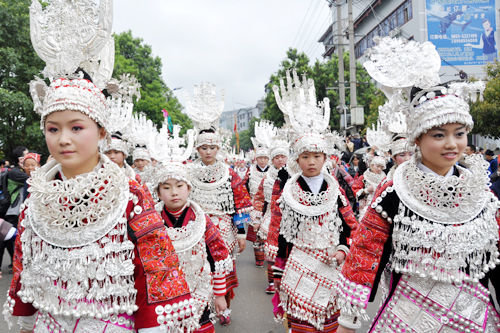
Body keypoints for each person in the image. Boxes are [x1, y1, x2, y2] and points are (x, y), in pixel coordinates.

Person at [4, 1, 196, 330]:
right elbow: (25, 266)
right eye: (53, 129)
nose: (64, 139)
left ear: (101, 132)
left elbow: (154, 268)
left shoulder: (130, 194)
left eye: (76, 127)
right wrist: (23, 318)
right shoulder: (37, 198)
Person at [336, 37, 500, 333]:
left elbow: (496, 258)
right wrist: (347, 323)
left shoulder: (481, 195)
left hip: (474, 319)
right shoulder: (394, 194)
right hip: (408, 319)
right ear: (417, 140)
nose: (452, 144)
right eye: (439, 135)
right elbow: (364, 258)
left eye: (459, 133)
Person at [271, 70, 358, 332]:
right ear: (297, 160)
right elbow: (280, 232)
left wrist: (344, 249)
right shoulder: (288, 191)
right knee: (302, 323)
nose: (311, 162)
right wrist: (278, 268)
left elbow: (349, 226)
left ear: (325, 159)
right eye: (305, 156)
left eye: (316, 156)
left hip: (331, 261)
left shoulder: (336, 190)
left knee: (330, 321)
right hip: (299, 261)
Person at [184, 83, 253, 325]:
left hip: (224, 230)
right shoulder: (189, 173)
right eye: (204, 147)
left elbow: (241, 204)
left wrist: (242, 233)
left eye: (212, 147)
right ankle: (204, 311)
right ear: (198, 149)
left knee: (223, 269)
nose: (208, 151)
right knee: (200, 270)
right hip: (196, 230)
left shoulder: (229, 173)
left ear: (218, 148)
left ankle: (224, 304)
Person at [153, 157, 233, 332]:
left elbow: (216, 258)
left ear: (189, 188)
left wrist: (220, 295)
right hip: (164, 293)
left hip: (199, 288)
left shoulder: (201, 220)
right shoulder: (151, 223)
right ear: (158, 193)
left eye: (180, 186)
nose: (174, 192)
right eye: (166, 187)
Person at [252, 137, 289, 294]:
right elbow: (259, 200)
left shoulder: (295, 176)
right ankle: (272, 282)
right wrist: (256, 220)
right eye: (276, 157)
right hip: (270, 218)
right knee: (271, 252)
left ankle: (286, 281)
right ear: (272, 160)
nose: (280, 160)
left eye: (282, 157)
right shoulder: (266, 179)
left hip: (289, 220)